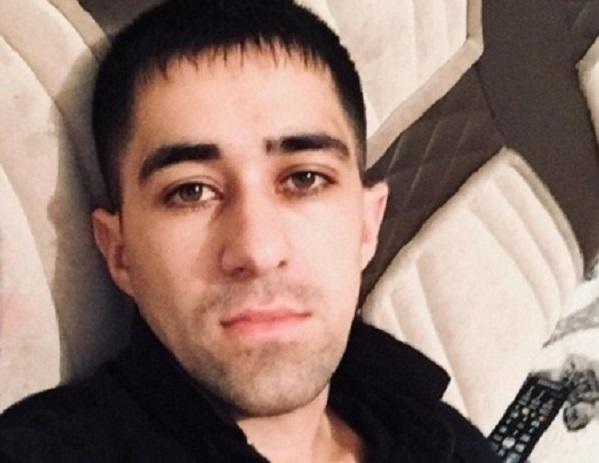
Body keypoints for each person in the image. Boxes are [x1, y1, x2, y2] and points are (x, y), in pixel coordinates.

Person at [0, 1, 500, 461]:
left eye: (305, 179)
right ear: (120, 253)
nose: (257, 250)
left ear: (367, 226)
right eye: (191, 191)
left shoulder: (442, 435)